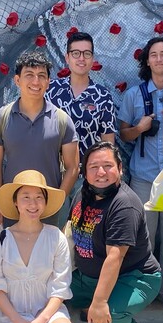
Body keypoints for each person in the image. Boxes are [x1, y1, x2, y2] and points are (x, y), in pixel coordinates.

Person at [69, 142, 161, 323]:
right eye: (94, 167)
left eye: (108, 166)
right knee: (54, 292)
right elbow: (71, 229)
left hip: (135, 276)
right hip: (89, 275)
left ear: (120, 168)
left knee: (113, 311)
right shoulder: (83, 193)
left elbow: (114, 258)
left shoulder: (124, 205)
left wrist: (99, 303)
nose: (101, 173)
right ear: (84, 171)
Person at [118, 36, 163, 311]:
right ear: (147, 60)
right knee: (142, 236)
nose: (159, 59)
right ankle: (142, 291)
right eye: (154, 55)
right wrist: (139, 128)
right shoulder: (134, 95)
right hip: (144, 177)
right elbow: (123, 133)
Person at [0, 170, 75, 323]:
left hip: (46, 310)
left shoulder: (56, 238)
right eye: (26, 197)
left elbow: (60, 286)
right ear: (15, 202)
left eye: (38, 197)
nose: (33, 204)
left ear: (45, 201)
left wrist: (42, 319)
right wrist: (18, 320)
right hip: (11, 314)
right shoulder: (0, 239)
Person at [0, 51, 80, 228]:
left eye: (41, 76)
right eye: (29, 75)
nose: (36, 82)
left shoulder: (62, 119)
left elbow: (73, 167)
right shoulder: (1, 117)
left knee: (49, 255)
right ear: (17, 80)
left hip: (49, 210)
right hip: (13, 207)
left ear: (48, 82)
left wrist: (56, 203)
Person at [46, 31, 117, 221]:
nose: (81, 58)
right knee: (55, 230)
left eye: (86, 53)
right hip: (54, 174)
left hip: (87, 177)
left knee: (84, 233)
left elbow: (108, 142)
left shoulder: (102, 96)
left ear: (92, 58)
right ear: (67, 57)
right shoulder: (51, 91)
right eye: (76, 53)